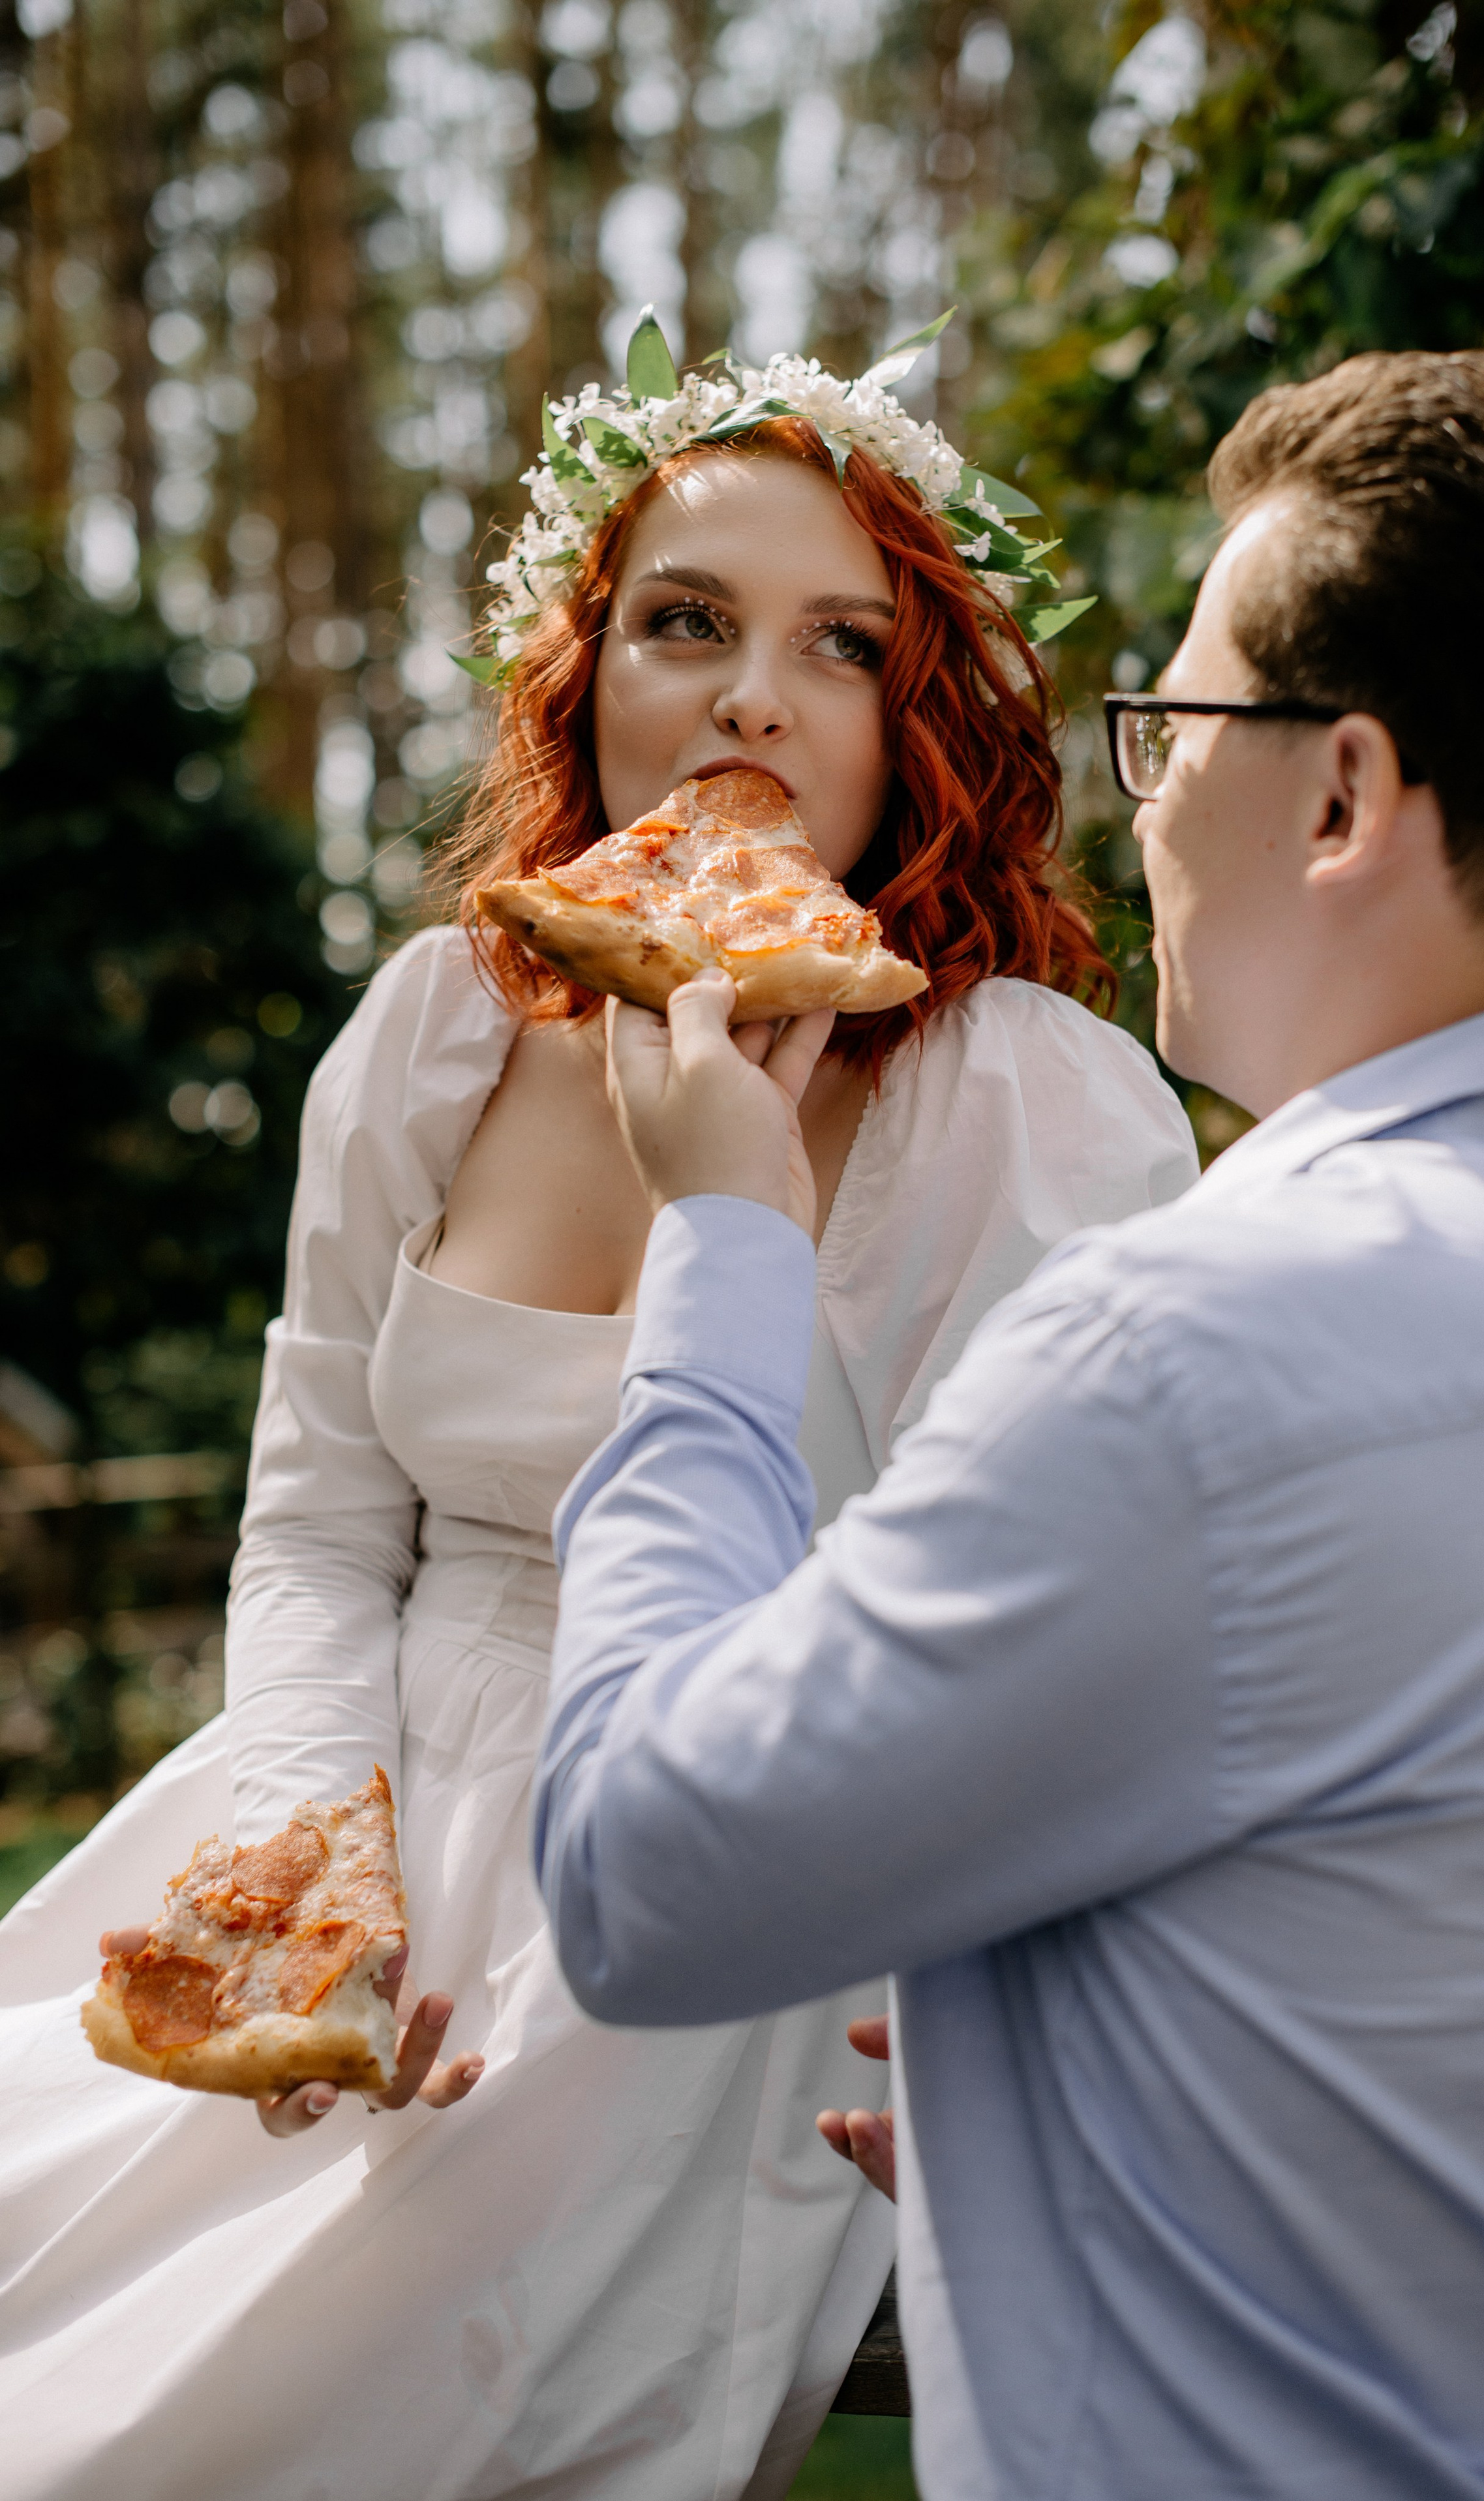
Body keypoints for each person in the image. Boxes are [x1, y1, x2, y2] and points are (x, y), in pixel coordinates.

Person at [0, 330, 1197, 2501]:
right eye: (687, 622)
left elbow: (1033, 1638)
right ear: (588, 679)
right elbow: (317, 1520)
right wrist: (303, 1903)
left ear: (909, 726)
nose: (755, 697)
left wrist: (734, 1188)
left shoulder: (1027, 1095)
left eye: (844, 646)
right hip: (354, 1827)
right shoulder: (436, 1023)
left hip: (720, 1925)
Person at [533, 346, 1484, 2501]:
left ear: (1334, 796)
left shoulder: (1192, 1345)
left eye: (1171, 725)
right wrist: (1071, 2077)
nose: (1137, 794)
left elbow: (637, 1871)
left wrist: (725, 1252)